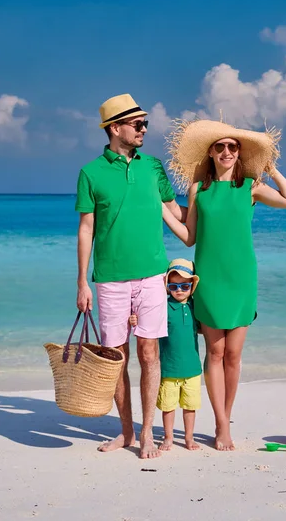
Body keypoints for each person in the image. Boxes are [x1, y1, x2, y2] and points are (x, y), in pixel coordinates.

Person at [162, 119, 286, 451]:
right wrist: (162, 213)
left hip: (241, 279)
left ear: (239, 153)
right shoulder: (199, 190)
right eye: (220, 146)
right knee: (215, 351)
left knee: (234, 356)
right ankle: (221, 425)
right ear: (211, 152)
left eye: (233, 147)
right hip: (209, 278)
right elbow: (190, 237)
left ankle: (225, 419)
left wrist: (272, 169)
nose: (226, 151)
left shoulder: (251, 187)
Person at [75, 93, 186, 459]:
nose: (143, 129)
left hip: (153, 275)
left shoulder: (153, 167)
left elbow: (176, 211)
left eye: (145, 124)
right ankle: (125, 431)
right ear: (115, 128)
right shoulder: (91, 173)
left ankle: (148, 433)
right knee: (117, 356)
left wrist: (222, 196)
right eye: (137, 124)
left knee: (150, 352)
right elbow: (86, 228)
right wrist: (82, 282)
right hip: (109, 279)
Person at [129, 258, 202, 451]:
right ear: (167, 286)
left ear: (192, 286)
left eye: (184, 286)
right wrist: (135, 318)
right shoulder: (162, 306)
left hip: (193, 368)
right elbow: (146, 320)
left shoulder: (196, 307)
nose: (179, 289)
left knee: (190, 406)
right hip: (168, 368)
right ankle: (168, 437)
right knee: (168, 407)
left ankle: (188, 438)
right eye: (174, 285)